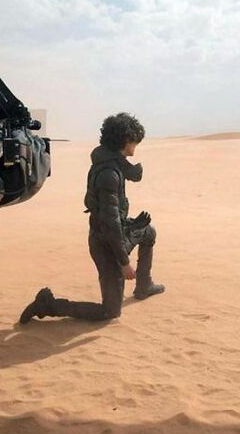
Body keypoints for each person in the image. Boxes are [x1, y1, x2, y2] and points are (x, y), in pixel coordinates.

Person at [19, 113, 165, 323]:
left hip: (114, 233)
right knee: (110, 312)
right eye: (135, 141)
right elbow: (110, 223)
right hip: (105, 243)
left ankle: (144, 285)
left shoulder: (112, 162)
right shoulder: (109, 174)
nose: (136, 146)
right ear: (126, 141)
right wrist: (124, 263)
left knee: (148, 231)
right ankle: (48, 305)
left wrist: (133, 225)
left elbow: (114, 217)